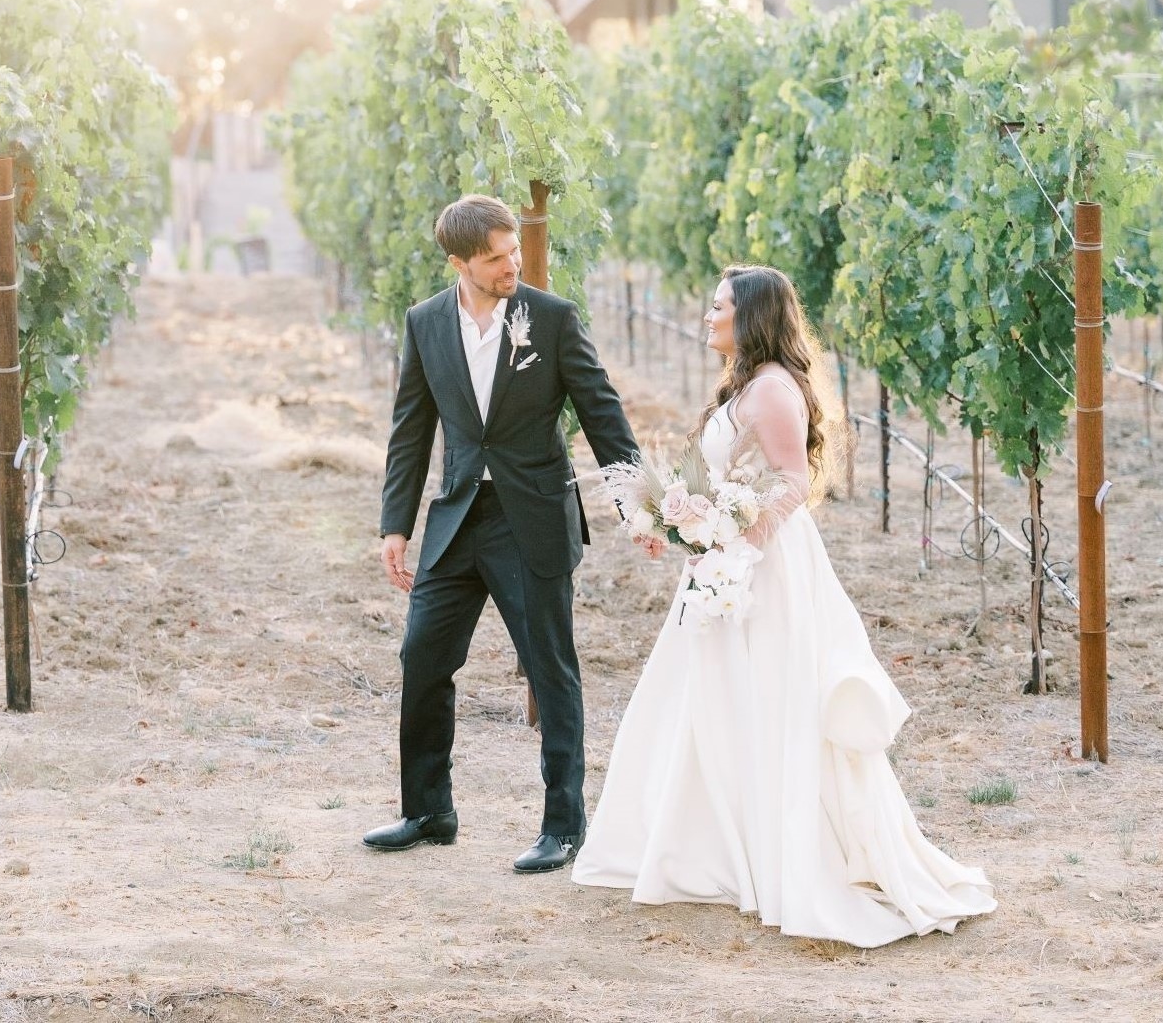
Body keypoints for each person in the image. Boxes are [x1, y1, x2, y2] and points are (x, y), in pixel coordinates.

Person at [571, 264, 995, 947]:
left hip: (758, 570)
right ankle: (716, 848)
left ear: (752, 317)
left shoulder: (771, 390)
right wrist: (678, 525)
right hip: (725, 562)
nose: (707, 316)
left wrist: (734, 540)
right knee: (710, 699)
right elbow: (724, 478)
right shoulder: (745, 384)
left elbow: (793, 481)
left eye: (718, 307)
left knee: (765, 697)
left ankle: (765, 852)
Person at [367, 194, 640, 874]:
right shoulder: (425, 322)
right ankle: (428, 809)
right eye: (495, 257)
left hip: (532, 519)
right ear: (459, 262)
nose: (511, 264)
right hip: (457, 517)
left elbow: (601, 412)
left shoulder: (549, 319)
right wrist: (394, 525)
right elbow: (410, 430)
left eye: (513, 250)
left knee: (550, 670)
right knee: (421, 659)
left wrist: (635, 503)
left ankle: (563, 825)